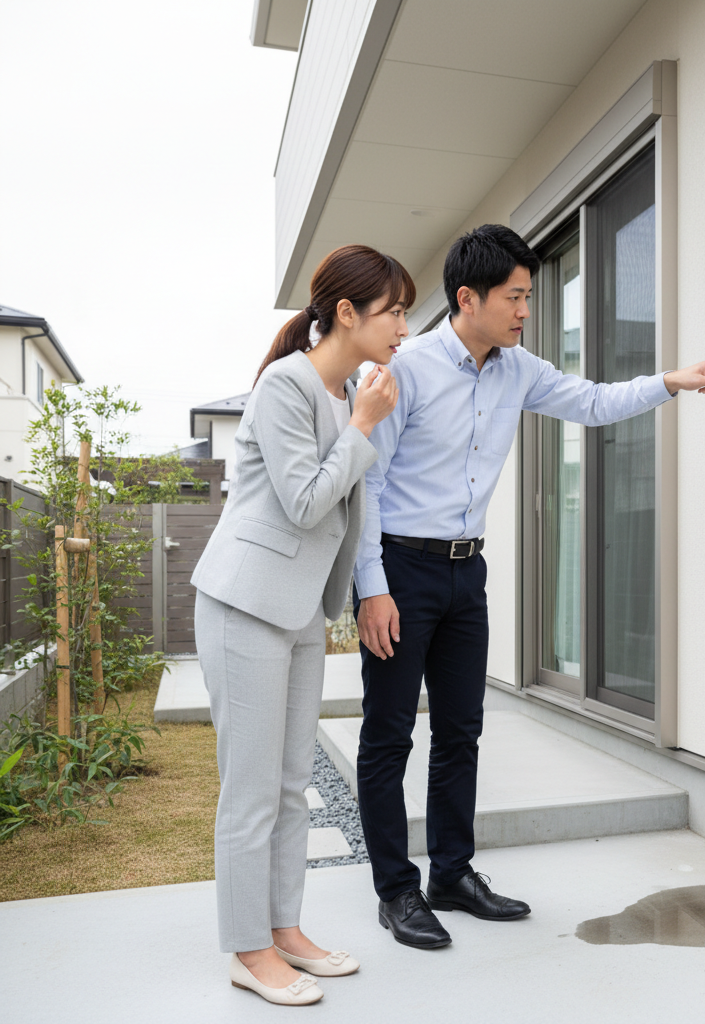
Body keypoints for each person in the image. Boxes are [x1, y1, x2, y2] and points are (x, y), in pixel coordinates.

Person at [352, 224, 705, 949]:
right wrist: (371, 588)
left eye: (529, 296)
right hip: (400, 569)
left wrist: (672, 381)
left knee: (461, 731)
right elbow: (366, 485)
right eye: (517, 296)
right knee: (389, 734)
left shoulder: (518, 368)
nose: (527, 309)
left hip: (468, 571)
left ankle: (452, 874)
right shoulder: (405, 368)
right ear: (468, 298)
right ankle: (396, 891)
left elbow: (590, 402)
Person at [191, 244, 413, 1004]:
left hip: (295, 612)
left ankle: (284, 929)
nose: (404, 327)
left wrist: (360, 421)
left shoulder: (348, 389)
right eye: (394, 311)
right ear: (346, 313)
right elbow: (307, 503)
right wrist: (362, 426)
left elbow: (353, 501)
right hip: (244, 604)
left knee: (291, 787)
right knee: (250, 791)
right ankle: (247, 950)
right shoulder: (288, 386)